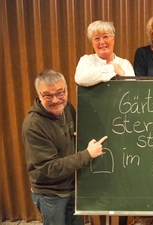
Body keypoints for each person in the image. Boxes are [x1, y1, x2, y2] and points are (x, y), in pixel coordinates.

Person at [22, 69, 108, 225]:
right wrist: (87, 154)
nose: (55, 100)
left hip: (73, 186)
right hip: (51, 194)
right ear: (39, 95)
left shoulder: (67, 107)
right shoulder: (33, 126)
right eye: (48, 95)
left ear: (66, 90)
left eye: (60, 93)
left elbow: (77, 130)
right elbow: (51, 167)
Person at [75, 20, 135, 87]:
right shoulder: (86, 60)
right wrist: (112, 68)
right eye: (97, 38)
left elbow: (131, 88)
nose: (102, 42)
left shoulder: (124, 64)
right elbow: (80, 78)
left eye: (105, 37)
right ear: (92, 43)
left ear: (113, 40)